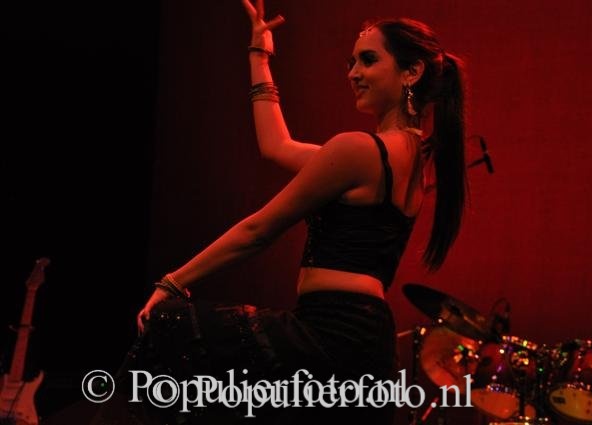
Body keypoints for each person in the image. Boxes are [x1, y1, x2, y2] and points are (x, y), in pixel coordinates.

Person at [92, 1, 467, 424]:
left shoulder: (360, 151)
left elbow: (258, 230)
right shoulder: (412, 160)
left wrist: (174, 282)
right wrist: (260, 55)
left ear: (411, 72)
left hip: (330, 336)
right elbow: (276, 146)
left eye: (368, 60)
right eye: (351, 62)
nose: (353, 73)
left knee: (168, 329)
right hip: (365, 344)